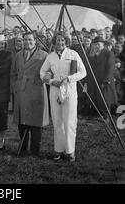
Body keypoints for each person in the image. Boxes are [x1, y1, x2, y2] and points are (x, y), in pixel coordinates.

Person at [40, 32, 86, 162]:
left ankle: (70, 151)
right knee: (57, 120)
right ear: (54, 42)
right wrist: (50, 81)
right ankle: (58, 150)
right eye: (58, 41)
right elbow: (42, 72)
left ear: (66, 42)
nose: (60, 43)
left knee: (70, 121)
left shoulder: (73, 54)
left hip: (70, 91)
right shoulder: (50, 57)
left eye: (63, 41)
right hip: (55, 90)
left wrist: (70, 78)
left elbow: (83, 72)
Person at [13, 32, 49, 157]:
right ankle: (22, 148)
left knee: (35, 122)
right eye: (25, 40)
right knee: (21, 122)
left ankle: (35, 151)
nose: (27, 42)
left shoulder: (44, 55)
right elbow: (13, 73)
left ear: (35, 41)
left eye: (30, 40)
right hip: (21, 92)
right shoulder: (18, 55)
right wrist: (15, 86)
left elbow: (49, 73)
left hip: (36, 91)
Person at [89, 36, 118, 118]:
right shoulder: (93, 54)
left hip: (105, 80)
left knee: (106, 98)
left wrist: (107, 80)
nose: (96, 46)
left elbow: (110, 67)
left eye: (98, 44)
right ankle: (100, 114)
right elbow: (90, 67)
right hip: (96, 80)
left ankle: (107, 116)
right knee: (98, 98)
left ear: (103, 45)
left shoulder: (108, 53)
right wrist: (91, 55)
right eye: (95, 44)